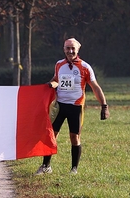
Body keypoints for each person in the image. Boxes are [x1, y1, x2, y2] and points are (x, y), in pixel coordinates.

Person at [35, 37, 109, 175]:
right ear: (63, 49)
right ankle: (46, 166)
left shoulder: (85, 67)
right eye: (67, 48)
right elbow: (56, 80)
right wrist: (49, 86)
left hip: (76, 107)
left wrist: (104, 105)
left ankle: (74, 169)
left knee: (74, 137)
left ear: (78, 49)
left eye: (73, 48)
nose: (70, 51)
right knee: (52, 135)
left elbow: (95, 87)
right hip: (59, 106)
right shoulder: (59, 65)